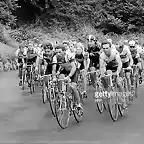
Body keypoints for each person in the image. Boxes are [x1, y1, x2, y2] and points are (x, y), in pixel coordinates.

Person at [52, 45, 83, 110]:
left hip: (74, 70)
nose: (58, 54)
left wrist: (69, 76)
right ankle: (62, 94)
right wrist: (54, 76)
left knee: (73, 86)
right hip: (65, 69)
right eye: (56, 52)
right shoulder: (55, 57)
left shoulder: (69, 56)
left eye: (59, 52)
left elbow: (74, 67)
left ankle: (78, 104)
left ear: (64, 51)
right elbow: (56, 68)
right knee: (60, 77)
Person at [100, 41, 127, 109]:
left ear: (110, 47)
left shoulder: (115, 52)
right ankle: (109, 94)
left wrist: (117, 72)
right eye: (104, 48)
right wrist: (102, 74)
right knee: (105, 80)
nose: (105, 50)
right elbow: (102, 66)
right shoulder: (102, 55)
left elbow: (120, 63)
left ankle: (123, 101)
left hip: (118, 68)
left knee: (118, 82)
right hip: (109, 69)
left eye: (107, 48)